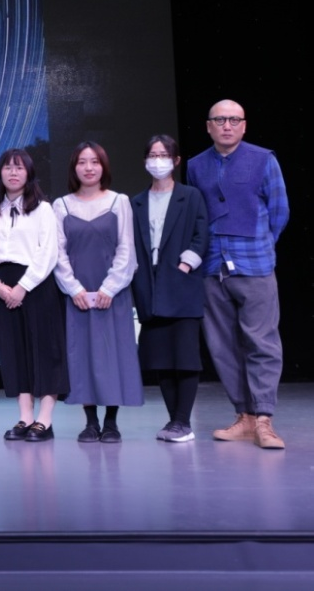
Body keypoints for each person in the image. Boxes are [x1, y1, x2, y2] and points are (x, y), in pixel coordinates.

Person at [186, 99, 289, 449]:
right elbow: (197, 215)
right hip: (212, 267)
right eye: (220, 120)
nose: (227, 125)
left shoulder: (264, 159)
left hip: (255, 265)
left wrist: (260, 244)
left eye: (233, 120)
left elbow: (279, 211)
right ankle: (243, 416)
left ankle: (264, 419)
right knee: (223, 346)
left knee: (262, 342)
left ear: (244, 125)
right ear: (208, 126)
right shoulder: (196, 166)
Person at [54, 142, 142, 443]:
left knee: (113, 354)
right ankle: (90, 422)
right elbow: (58, 253)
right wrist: (74, 288)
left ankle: (111, 422)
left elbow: (126, 249)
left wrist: (109, 288)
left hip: (112, 295)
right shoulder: (61, 205)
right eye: (82, 162)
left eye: (95, 161)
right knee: (82, 356)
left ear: (103, 167)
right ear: (74, 167)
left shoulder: (119, 201)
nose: (89, 167)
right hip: (77, 296)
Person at [131, 135, 209, 443]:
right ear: (144, 161)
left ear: (176, 161)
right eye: (152, 155)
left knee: (185, 355)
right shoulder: (136, 201)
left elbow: (201, 234)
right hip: (149, 285)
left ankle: (183, 421)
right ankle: (174, 421)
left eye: (164, 155)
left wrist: (186, 264)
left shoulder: (190, 196)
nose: (157, 160)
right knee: (160, 356)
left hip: (181, 282)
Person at [0, 148, 67, 442]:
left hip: (36, 285)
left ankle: (44, 420)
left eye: (19, 167)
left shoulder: (43, 209)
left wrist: (23, 286)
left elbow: (48, 252)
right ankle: (25, 417)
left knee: (45, 351)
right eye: (8, 167)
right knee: (14, 352)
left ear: (29, 173)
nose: (13, 172)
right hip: (3, 287)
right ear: (0, 174)